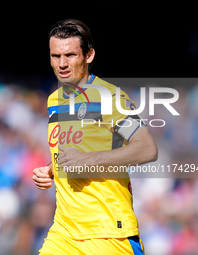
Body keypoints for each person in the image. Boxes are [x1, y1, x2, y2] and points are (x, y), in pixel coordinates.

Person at [32, 18, 158, 255]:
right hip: (64, 231)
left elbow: (147, 148)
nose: (62, 64)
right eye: (55, 56)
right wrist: (51, 168)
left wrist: (86, 160)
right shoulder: (54, 101)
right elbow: (74, 149)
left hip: (109, 231)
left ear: (88, 56)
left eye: (70, 55)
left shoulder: (109, 97)